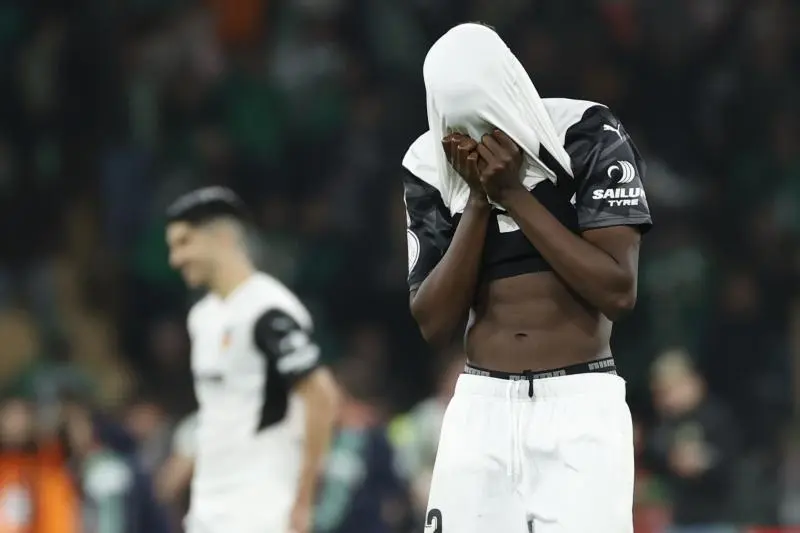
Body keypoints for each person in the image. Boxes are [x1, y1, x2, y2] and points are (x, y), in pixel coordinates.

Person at [402, 24, 652, 533]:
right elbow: (432, 324)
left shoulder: (586, 132)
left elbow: (618, 290)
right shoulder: (429, 163)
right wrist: (477, 199)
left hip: (579, 407)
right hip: (480, 409)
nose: (473, 133)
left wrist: (514, 195)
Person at [165, 186, 340, 533]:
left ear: (224, 238)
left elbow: (322, 395)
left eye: (185, 242)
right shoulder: (202, 317)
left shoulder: (267, 310)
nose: (175, 259)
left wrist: (303, 500)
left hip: (261, 508)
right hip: (207, 506)